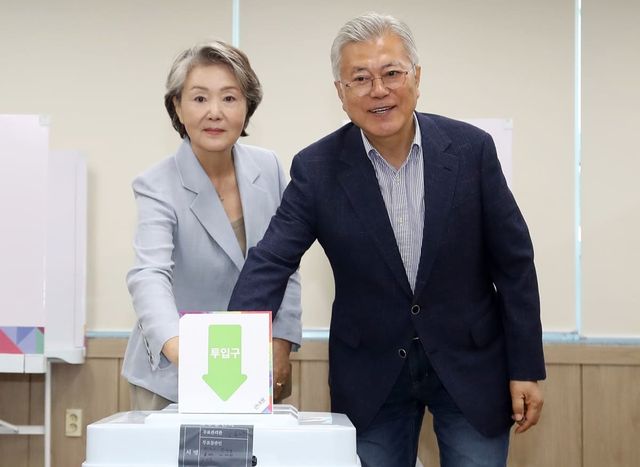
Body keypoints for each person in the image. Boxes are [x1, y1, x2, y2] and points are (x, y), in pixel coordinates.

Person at [228, 12, 545, 467]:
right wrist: (230, 346)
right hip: (371, 374)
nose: (378, 90)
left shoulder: (471, 151)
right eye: (360, 78)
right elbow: (272, 260)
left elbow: (514, 264)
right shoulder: (317, 169)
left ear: (417, 77)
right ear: (340, 93)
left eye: (392, 73)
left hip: (470, 365)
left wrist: (526, 367)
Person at [121, 40, 301, 410]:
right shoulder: (156, 184)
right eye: (200, 98)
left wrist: (281, 343)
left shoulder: (269, 168)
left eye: (229, 98)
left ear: (247, 106)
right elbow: (150, 275)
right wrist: (186, 356)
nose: (214, 112)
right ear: (177, 106)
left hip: (255, 372)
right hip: (173, 376)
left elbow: (287, 264)